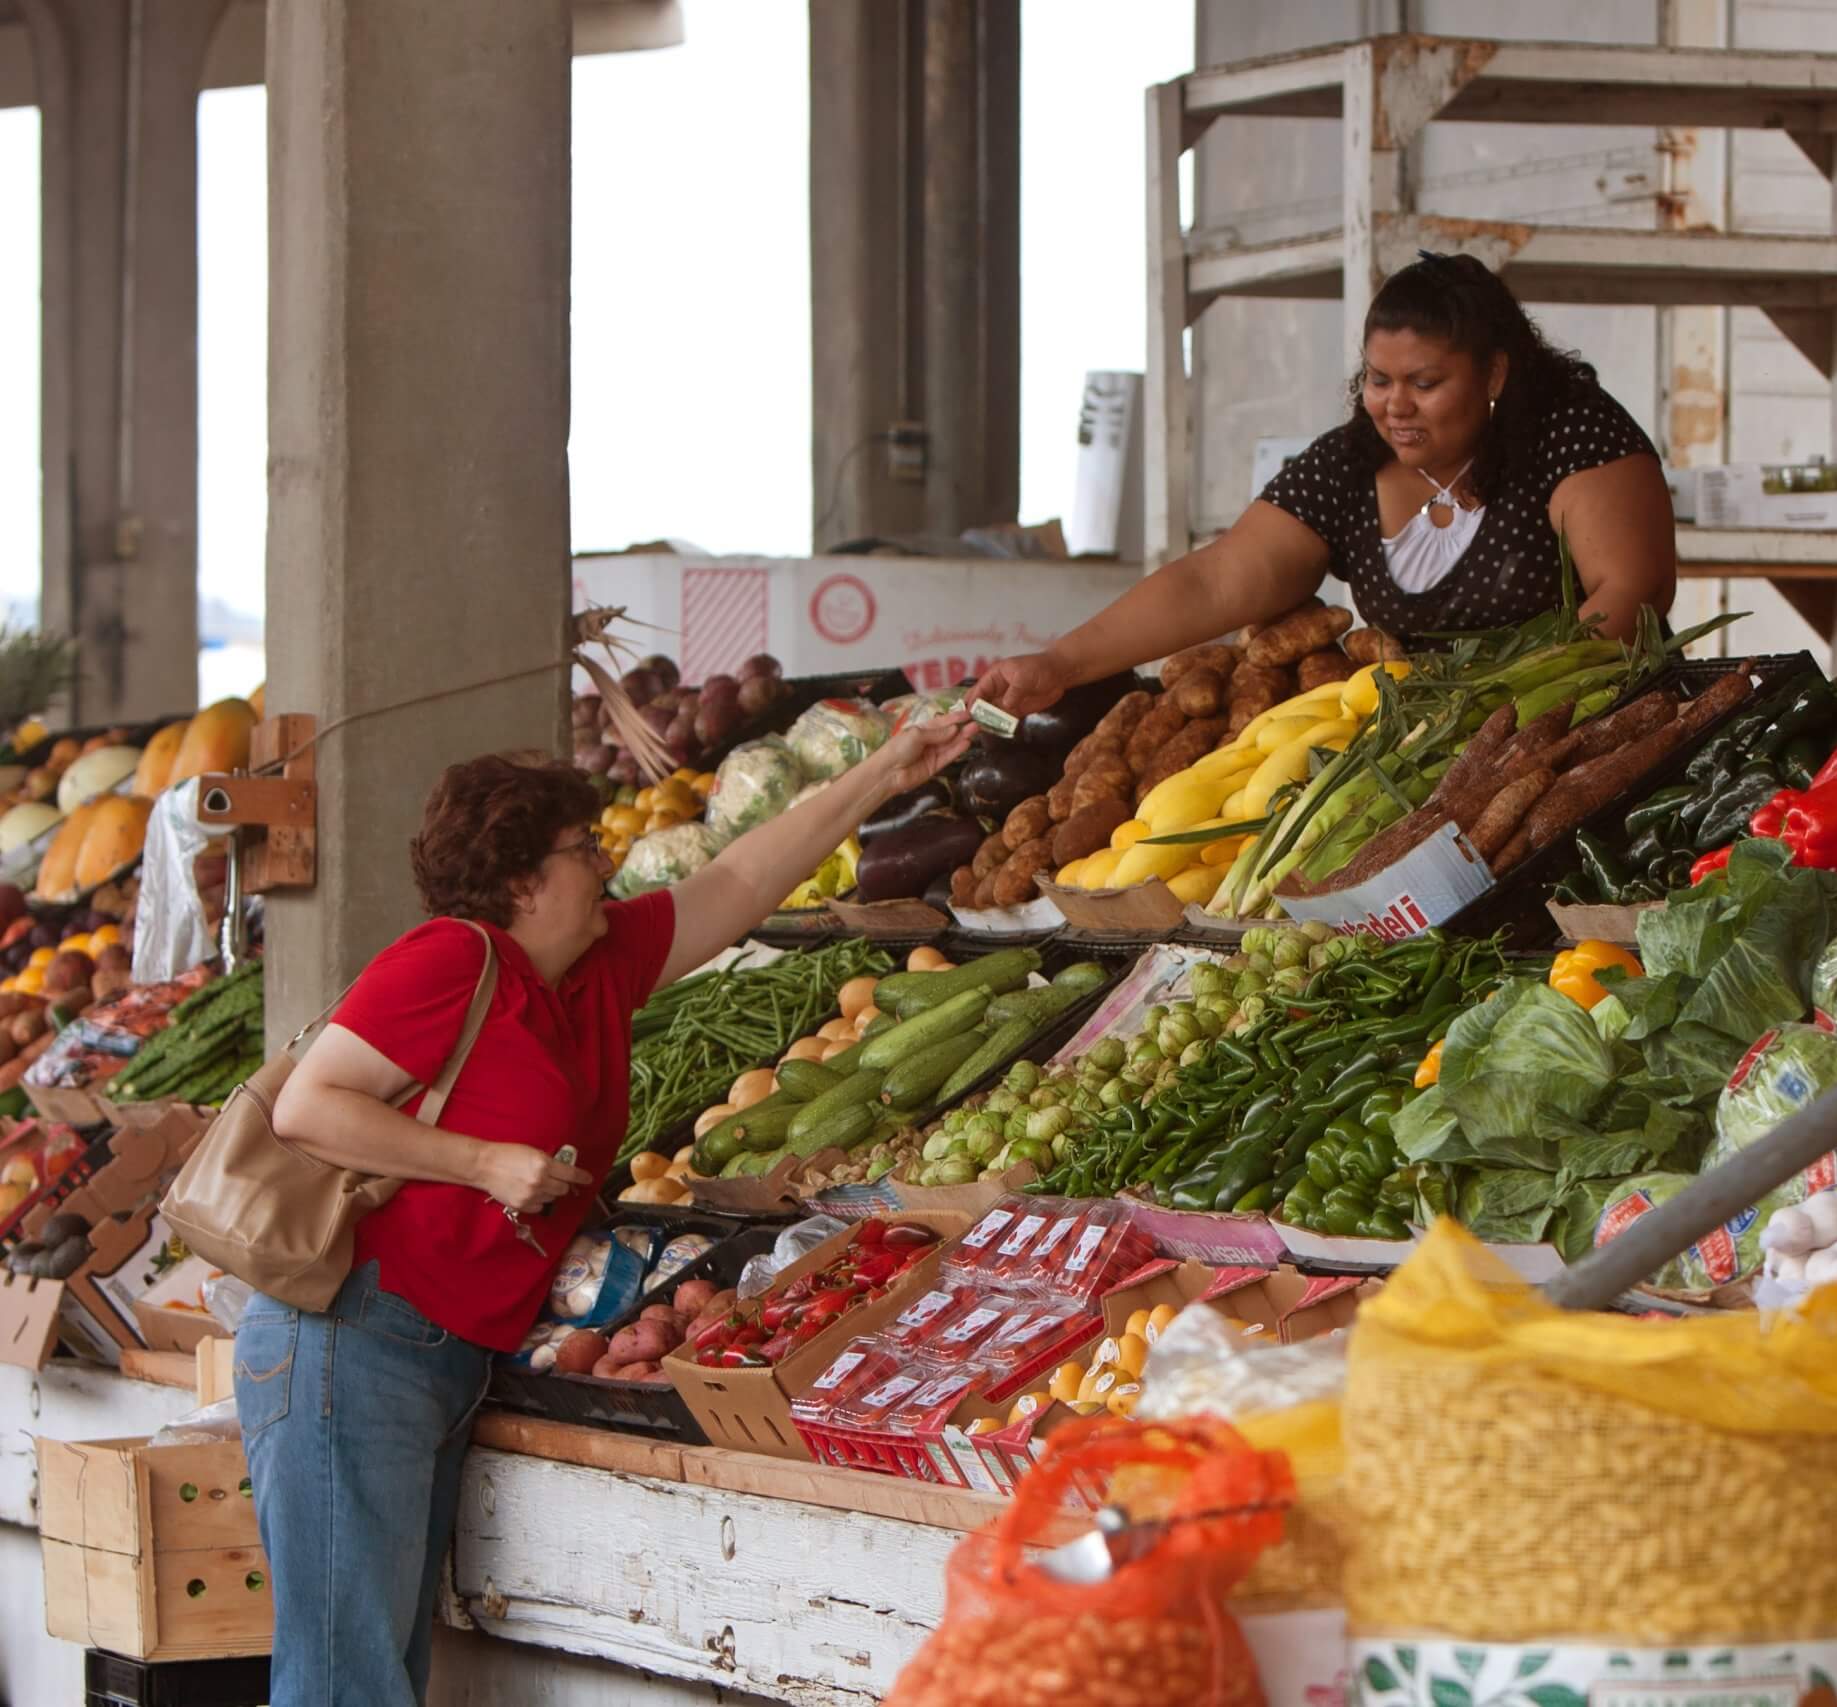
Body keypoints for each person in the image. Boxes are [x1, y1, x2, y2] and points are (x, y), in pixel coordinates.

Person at [231, 712, 969, 1707]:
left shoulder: (594, 966)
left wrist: (886, 772)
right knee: (341, 1680)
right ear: (520, 878)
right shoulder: (449, 962)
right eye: (584, 850)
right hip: (351, 1342)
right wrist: (481, 1160)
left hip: (443, 1350)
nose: (606, 863)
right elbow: (309, 1105)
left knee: (381, 1666)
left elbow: (744, 880)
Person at [973, 251, 1677, 720]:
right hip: (1421, 756)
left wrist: (1496, 706)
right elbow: (1215, 581)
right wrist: (1059, 663)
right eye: (1379, 379)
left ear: (1493, 374)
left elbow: (1632, 595)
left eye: (1425, 383)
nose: (1395, 405)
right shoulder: (1349, 466)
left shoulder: (1571, 434)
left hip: (1593, 730)